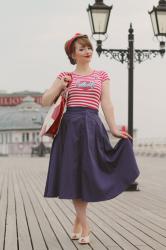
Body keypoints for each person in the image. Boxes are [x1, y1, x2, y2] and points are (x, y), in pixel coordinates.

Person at [42, 33, 140, 244]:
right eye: (82, 49)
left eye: (89, 48)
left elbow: (107, 103)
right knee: (74, 175)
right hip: (70, 128)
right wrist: (61, 86)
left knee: (87, 174)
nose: (88, 51)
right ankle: (85, 225)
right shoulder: (65, 75)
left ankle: (78, 222)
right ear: (72, 54)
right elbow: (45, 100)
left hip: (93, 126)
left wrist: (114, 128)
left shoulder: (102, 75)